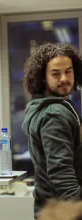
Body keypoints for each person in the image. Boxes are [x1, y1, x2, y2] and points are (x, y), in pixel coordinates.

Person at [22, 42, 82, 219]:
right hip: (63, 211)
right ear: (43, 78)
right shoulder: (55, 114)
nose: (64, 78)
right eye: (56, 73)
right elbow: (61, 173)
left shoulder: (47, 107)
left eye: (68, 71)